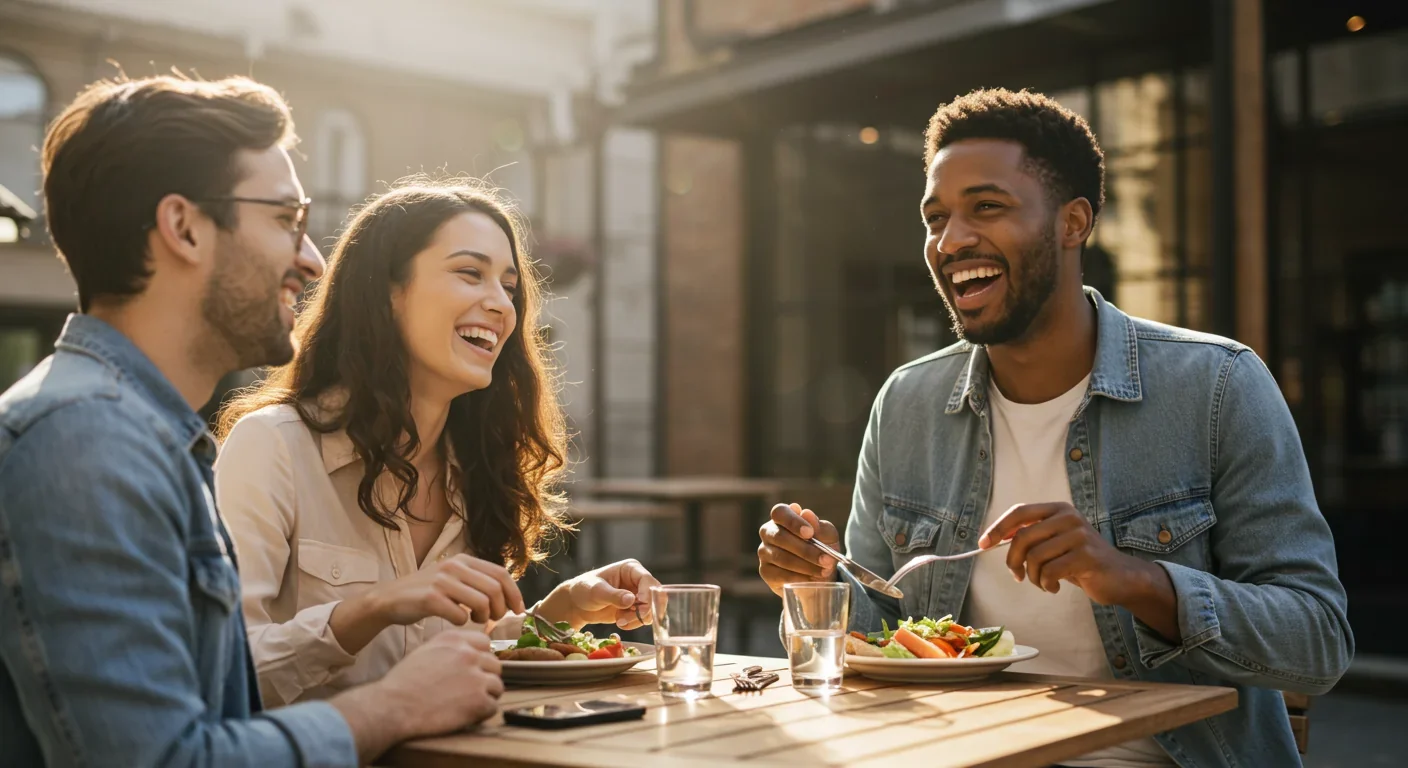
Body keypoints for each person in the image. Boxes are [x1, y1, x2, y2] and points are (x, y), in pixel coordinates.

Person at [757, 88, 1352, 767]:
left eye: (987, 207)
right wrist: (821, 585)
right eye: (936, 218)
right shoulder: (907, 404)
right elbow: (881, 643)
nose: (951, 242)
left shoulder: (1217, 386)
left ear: (1073, 223)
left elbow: (1318, 644)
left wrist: (1132, 578)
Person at [0, 75, 502, 767]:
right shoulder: (83, 442)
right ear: (183, 227)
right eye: (283, 220)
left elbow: (218, 710)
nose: (312, 259)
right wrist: (392, 706)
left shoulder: (146, 441)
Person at [212, 178, 658, 706]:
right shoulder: (273, 447)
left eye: (509, 286)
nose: (501, 306)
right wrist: (373, 608)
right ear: (387, 294)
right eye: (470, 273)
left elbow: (445, 651)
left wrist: (562, 612)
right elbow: (222, 674)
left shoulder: (476, 466)